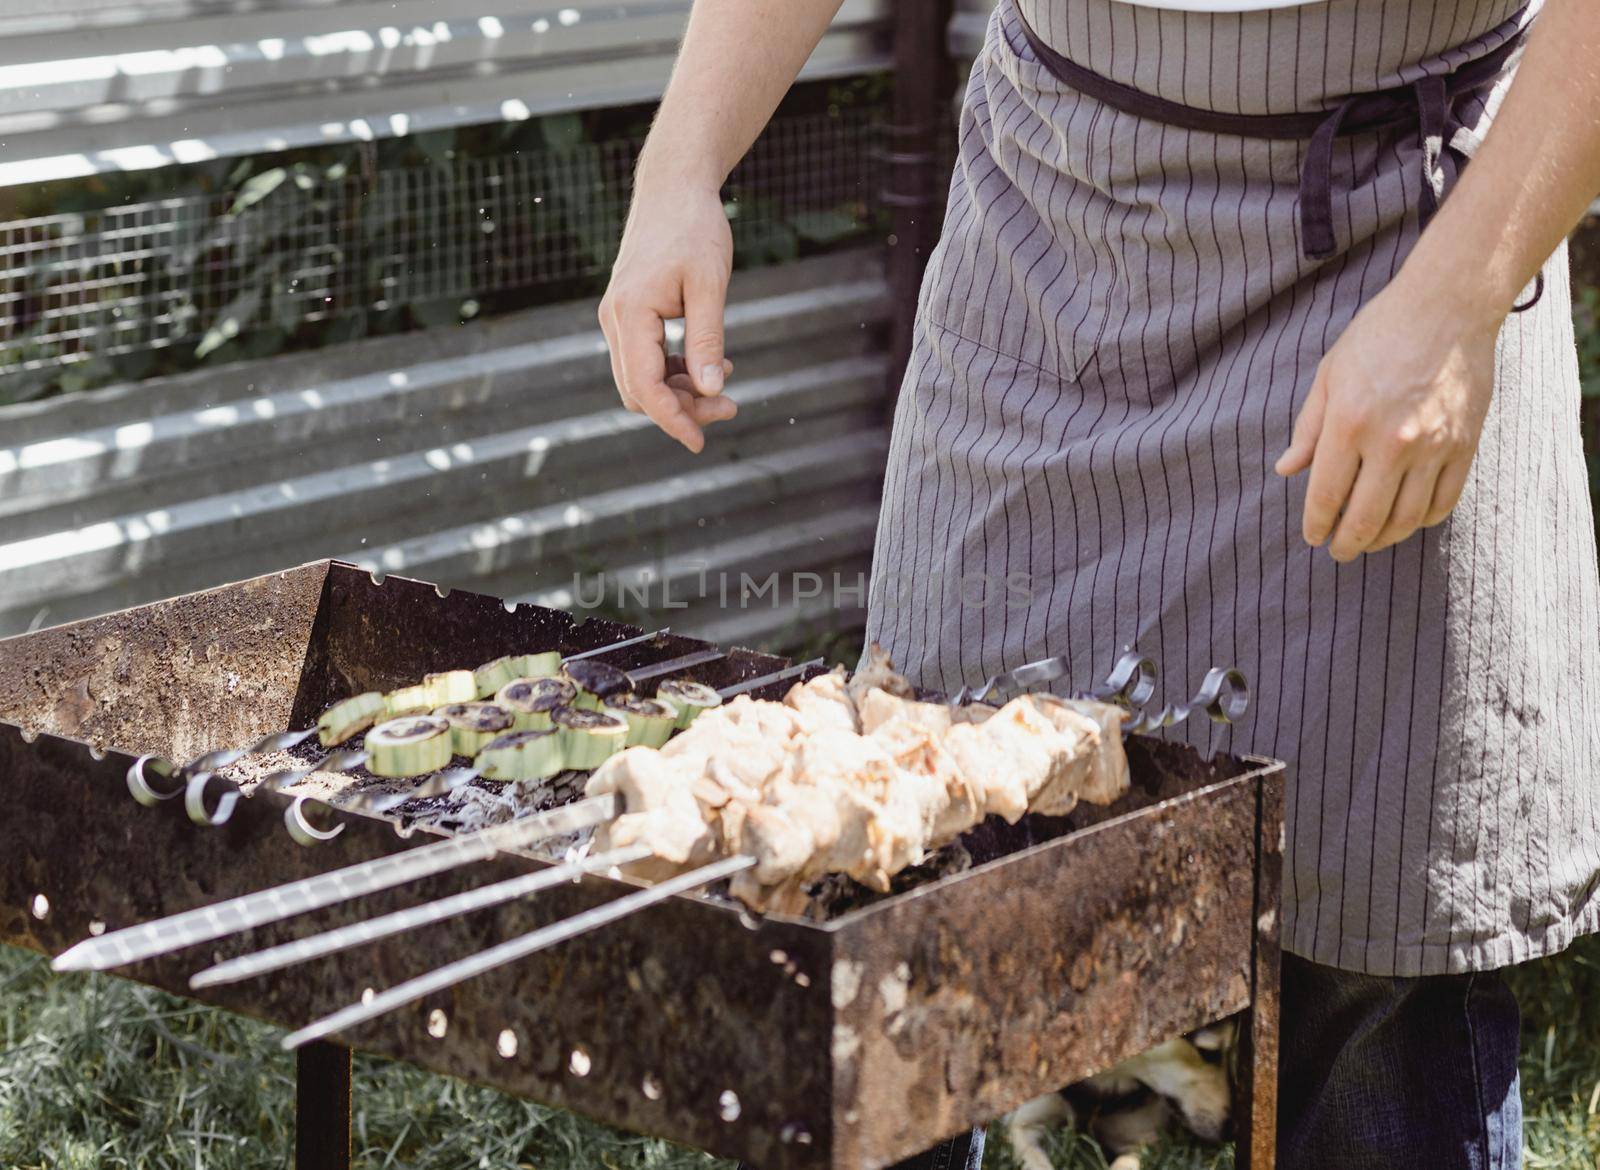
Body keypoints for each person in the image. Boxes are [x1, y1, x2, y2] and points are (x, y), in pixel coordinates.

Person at [599, 0, 1600, 1165]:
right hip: (1055, 217)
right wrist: (680, 162)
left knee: (1367, 955)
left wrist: (1456, 302)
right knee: (912, 862)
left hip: (1411, 227)